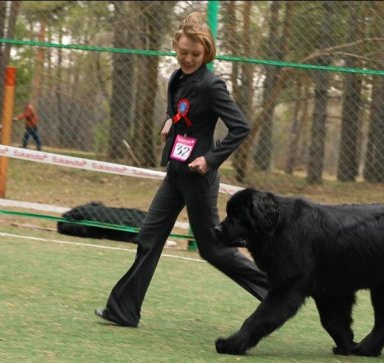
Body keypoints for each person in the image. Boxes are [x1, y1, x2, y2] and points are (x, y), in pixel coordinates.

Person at [94, 12, 270, 327]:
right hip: (176, 172)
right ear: (176, 47)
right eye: (183, 52)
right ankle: (124, 310)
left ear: (207, 54)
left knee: (213, 249)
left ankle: (276, 292)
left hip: (199, 178)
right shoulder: (177, 78)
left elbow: (240, 127)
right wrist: (169, 120)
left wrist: (211, 159)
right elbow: (179, 108)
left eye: (195, 54)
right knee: (149, 235)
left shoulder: (212, 85)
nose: (188, 59)